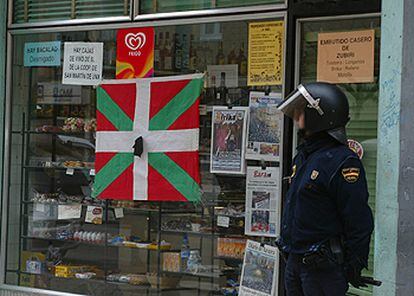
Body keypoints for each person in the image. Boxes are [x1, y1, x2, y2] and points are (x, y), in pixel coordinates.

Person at [276, 82, 374, 295]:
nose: (297, 118)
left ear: (319, 115)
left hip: (322, 270)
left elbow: (358, 219)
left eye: (302, 112)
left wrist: (354, 263)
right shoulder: (304, 156)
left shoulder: (342, 162)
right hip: (294, 262)